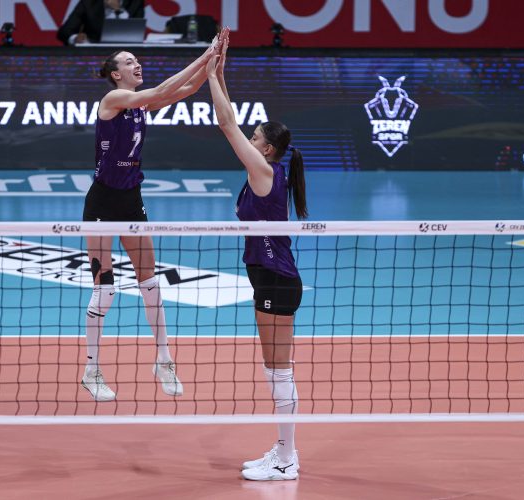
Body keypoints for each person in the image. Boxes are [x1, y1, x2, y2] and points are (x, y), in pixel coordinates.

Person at [81, 42, 218, 401]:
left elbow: (186, 89)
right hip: (102, 203)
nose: (137, 65)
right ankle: (91, 371)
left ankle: (164, 360)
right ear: (116, 74)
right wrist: (203, 56)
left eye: (137, 60)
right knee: (104, 290)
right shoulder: (113, 100)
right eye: (129, 62)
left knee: (151, 283)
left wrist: (213, 64)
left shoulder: (140, 104)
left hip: (131, 201)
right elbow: (160, 91)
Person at [206, 29, 307, 481]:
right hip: (266, 278)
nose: (248, 139)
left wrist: (210, 73)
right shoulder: (265, 168)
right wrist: (220, 70)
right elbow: (230, 119)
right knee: (274, 369)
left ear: (266, 149)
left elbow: (226, 124)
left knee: (279, 371)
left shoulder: (264, 172)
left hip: (277, 281)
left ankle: (287, 458)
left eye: (255, 137)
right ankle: (283, 451)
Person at [57, 0, 144, 45]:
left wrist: (118, 10)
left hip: (126, 54)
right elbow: (64, 32)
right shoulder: (89, 2)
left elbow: (136, 31)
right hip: (95, 54)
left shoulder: (135, 2)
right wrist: (75, 38)